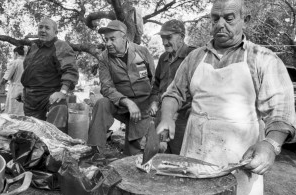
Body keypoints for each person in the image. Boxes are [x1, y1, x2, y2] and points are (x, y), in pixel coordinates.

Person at [156, 0, 296, 195]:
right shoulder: (195, 58)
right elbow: (173, 93)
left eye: (229, 18)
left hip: (239, 163)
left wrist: (270, 145)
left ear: (245, 20)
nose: (220, 24)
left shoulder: (263, 59)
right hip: (195, 156)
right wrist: (167, 117)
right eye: (215, 18)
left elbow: (281, 113)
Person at [87, 20, 155, 155]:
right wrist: (127, 102)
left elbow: (155, 81)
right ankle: (95, 153)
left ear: (124, 37)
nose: (108, 43)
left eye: (112, 39)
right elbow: (106, 88)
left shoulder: (142, 52)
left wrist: (153, 105)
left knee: (133, 153)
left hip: (143, 106)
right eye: (106, 39)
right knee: (102, 103)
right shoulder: (104, 58)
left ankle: (133, 153)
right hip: (120, 104)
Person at [149, 19, 196, 154]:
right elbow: (156, 85)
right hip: (162, 116)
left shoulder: (193, 55)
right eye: (162, 38)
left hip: (183, 120)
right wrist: (153, 102)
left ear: (181, 37)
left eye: (168, 37)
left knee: (179, 159)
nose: (164, 42)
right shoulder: (163, 58)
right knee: (158, 156)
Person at [19, 18, 79, 120]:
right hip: (30, 100)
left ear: (55, 32)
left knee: (53, 131)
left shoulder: (61, 46)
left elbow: (70, 71)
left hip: (50, 97)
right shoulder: (34, 46)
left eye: (47, 28)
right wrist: (24, 90)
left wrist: (62, 92)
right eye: (40, 27)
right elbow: (30, 72)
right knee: (32, 132)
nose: (43, 30)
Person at [0, 46, 25, 115]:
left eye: (13, 54)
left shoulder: (15, 62)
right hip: (25, 92)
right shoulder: (28, 63)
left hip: (15, 91)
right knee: (21, 113)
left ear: (16, 54)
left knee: (13, 113)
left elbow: (5, 78)